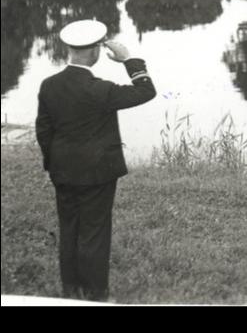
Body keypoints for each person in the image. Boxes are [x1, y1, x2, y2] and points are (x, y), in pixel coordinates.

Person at [35, 20, 156, 301]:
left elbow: (44, 130)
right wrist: (128, 59)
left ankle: (70, 290)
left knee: (69, 228)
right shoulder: (101, 89)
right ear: (95, 52)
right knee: (95, 231)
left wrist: (51, 164)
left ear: (70, 49)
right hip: (98, 173)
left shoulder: (49, 85)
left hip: (62, 170)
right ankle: (95, 294)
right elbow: (145, 91)